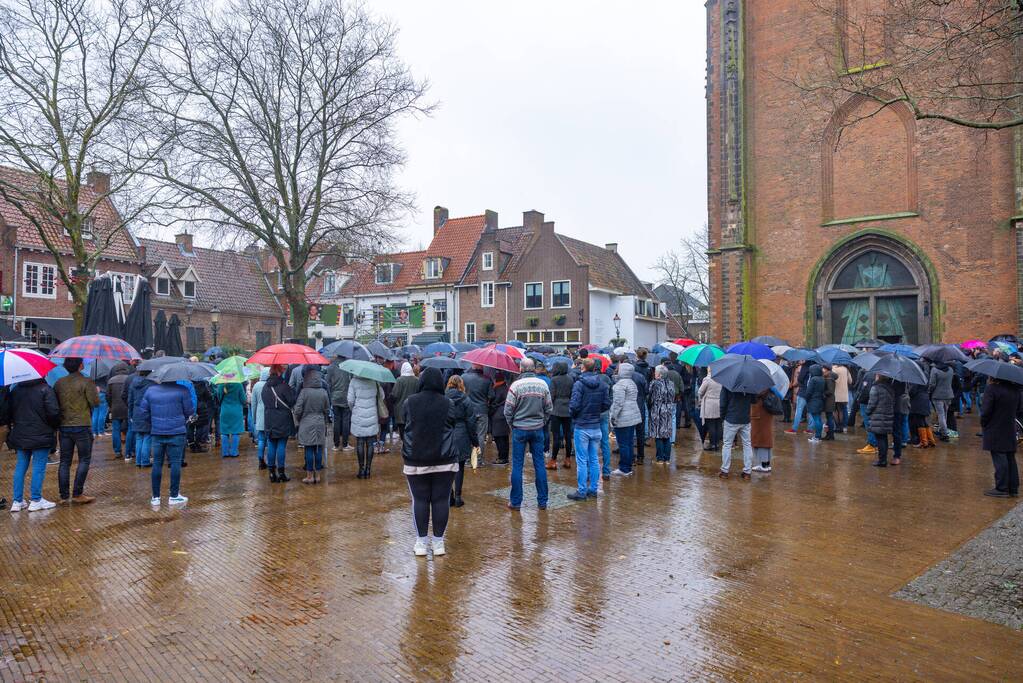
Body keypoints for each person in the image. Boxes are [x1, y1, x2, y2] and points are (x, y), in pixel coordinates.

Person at [402, 367, 457, 557]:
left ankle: (421, 543)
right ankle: (439, 543)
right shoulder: (448, 403)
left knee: (420, 500)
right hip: (445, 458)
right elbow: (453, 424)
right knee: (441, 500)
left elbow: (404, 425)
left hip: (416, 458)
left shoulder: (410, 402)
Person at [138, 375, 195, 506]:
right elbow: (189, 411)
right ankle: (174, 495)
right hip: (177, 432)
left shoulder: (150, 391)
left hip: (157, 432)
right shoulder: (183, 390)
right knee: (175, 463)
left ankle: (155, 497)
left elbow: (143, 412)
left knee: (157, 463)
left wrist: (153, 423)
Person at [503, 358, 553, 510]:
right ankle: (542, 501)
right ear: (534, 369)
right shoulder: (543, 384)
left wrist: (512, 425)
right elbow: (549, 408)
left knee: (517, 465)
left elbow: (507, 410)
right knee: (539, 465)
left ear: (521, 369)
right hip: (537, 428)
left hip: (519, 428)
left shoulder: (516, 385)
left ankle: (516, 502)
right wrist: (542, 421)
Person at [7, 377, 61, 512]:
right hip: (41, 434)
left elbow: (10, 412)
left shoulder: (15, 390)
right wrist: (53, 427)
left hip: (20, 434)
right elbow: (54, 412)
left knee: (20, 467)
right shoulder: (45, 389)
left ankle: (17, 501)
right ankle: (36, 500)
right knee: (38, 467)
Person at [53, 358, 100, 505]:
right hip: (82, 425)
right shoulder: (87, 382)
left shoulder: (59, 383)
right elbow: (95, 403)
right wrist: (96, 392)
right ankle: (77, 493)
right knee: (84, 459)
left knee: (64, 461)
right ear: (81, 365)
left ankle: (64, 495)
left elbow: (55, 402)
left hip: (64, 425)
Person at [567, 357, 611, 501]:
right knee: (594, 459)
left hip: (582, 426)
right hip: (596, 425)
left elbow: (574, 405)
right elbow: (606, 404)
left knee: (582, 460)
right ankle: (593, 489)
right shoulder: (603, 384)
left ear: (583, 368)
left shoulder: (579, 384)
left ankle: (582, 490)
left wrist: (575, 416)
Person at [980, 377, 1020, 497]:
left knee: (999, 457)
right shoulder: (1015, 390)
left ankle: (1002, 488)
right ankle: (1013, 488)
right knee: (1010, 457)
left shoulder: (992, 389)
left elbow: (986, 411)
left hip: (995, 428)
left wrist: (984, 424)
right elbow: (1019, 409)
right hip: (1009, 427)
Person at [445, 375, 478, 507]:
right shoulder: (466, 400)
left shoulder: (443, 398)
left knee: (447, 467)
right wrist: (475, 441)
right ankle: (458, 496)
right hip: (462, 434)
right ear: (461, 385)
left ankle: (449, 496)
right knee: (460, 467)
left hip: (447, 434)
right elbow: (471, 422)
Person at [294, 366, 330, 484]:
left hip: (306, 422)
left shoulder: (304, 392)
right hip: (319, 422)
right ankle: (318, 475)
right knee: (318, 448)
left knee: (309, 449)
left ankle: (309, 476)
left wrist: (298, 419)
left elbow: (298, 409)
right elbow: (327, 409)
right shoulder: (323, 392)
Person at [262, 365, 296, 483]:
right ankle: (281, 473)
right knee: (281, 445)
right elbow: (292, 401)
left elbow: (264, 400)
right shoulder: (284, 386)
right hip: (283, 419)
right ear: (280, 373)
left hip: (269, 418)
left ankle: (271, 473)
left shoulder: (265, 387)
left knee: (271, 445)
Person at [348, 372, 382, 479]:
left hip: (358, 415)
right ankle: (368, 469)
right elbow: (382, 395)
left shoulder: (353, 381)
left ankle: (361, 469)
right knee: (370, 443)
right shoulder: (374, 381)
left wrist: (353, 409)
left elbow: (350, 400)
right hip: (372, 415)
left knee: (360, 442)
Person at [610, 363, 641, 476]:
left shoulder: (620, 385)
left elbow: (618, 403)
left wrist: (613, 416)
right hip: (633, 415)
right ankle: (628, 466)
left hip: (623, 417)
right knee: (629, 442)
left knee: (623, 443)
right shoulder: (632, 383)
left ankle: (624, 468)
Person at [718, 385, 754, 480]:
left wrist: (722, 416)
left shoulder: (728, 384)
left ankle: (725, 471)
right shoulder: (749, 383)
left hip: (731, 418)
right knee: (747, 444)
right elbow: (754, 400)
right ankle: (747, 472)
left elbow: (723, 403)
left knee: (727, 444)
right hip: (745, 418)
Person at [462, 363, 494, 466]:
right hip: (482, 410)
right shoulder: (487, 379)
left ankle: (467, 460)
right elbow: (491, 396)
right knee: (480, 436)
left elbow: (461, 393)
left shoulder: (464, 377)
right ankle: (478, 460)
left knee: (467, 434)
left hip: (467, 410)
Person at [866, 374, 900, 467]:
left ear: (879, 377)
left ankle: (882, 460)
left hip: (878, 416)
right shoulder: (890, 388)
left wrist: (868, 411)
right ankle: (883, 459)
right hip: (887, 415)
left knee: (880, 438)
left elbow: (872, 403)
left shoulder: (875, 388)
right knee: (883, 438)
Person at [548, 361, 575, 470]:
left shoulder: (554, 380)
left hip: (556, 410)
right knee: (568, 436)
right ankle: (568, 459)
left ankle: (553, 460)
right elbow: (572, 394)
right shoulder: (570, 379)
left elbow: (551, 395)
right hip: (568, 409)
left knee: (556, 437)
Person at [125, 368, 155, 467]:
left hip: (136, 412)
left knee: (139, 437)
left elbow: (130, 401)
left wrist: (130, 415)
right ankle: (145, 461)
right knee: (147, 436)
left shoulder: (133, 383)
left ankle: (138, 461)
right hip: (147, 412)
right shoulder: (151, 384)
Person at [648, 365, 676, 463]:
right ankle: (667, 459)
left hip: (658, 410)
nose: (654, 374)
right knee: (667, 434)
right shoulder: (671, 383)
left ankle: (660, 458)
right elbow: (673, 396)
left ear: (659, 374)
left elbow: (650, 397)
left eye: (655, 372)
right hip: (668, 410)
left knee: (658, 434)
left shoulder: (654, 383)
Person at [106, 364, 133, 460]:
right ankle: (130, 450)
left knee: (115, 430)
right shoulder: (129, 379)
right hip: (127, 407)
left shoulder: (111, 381)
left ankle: (117, 451)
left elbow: (108, 396)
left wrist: (111, 406)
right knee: (130, 429)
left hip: (115, 408)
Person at [326, 355, 353, 452]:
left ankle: (336, 445)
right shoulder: (348, 366)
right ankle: (345, 444)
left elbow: (327, 382)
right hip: (346, 397)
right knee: (346, 421)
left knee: (336, 421)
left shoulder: (331, 367)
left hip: (335, 397)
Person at [214, 381, 246, 458]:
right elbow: (243, 399)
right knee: (236, 432)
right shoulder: (238, 385)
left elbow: (218, 398)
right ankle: (234, 452)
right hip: (236, 411)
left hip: (225, 411)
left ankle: (225, 452)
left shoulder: (221, 385)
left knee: (224, 432)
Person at [391, 362, 419, 444]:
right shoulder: (416, 380)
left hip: (400, 409)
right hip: (414, 409)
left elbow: (395, 395)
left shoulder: (399, 380)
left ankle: (405, 444)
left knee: (402, 429)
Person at [929, 361, 955, 441]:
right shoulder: (950, 369)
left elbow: (932, 384)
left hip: (937, 395)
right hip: (948, 395)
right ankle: (942, 430)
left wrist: (929, 392)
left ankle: (944, 433)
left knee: (941, 415)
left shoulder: (934, 370)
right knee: (945, 414)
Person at [489, 372, 511, 465]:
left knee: (499, 438)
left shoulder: (497, 389)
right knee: (505, 438)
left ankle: (501, 458)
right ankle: (505, 457)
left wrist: (490, 411)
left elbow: (494, 403)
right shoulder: (506, 388)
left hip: (498, 416)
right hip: (505, 415)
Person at [750, 390, 775, 473]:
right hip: (765, 413)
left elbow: (757, 395)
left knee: (761, 439)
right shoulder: (769, 382)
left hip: (760, 414)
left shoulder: (761, 386)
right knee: (765, 438)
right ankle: (766, 464)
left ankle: (763, 464)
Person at [250, 368, 270, 468]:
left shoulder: (256, 386)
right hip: (270, 415)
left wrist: (254, 418)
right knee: (270, 440)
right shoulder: (270, 385)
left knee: (261, 439)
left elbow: (253, 404)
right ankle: (271, 461)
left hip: (260, 415)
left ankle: (260, 460)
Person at [698, 370, 722, 450]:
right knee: (718, 424)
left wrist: (701, 399)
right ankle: (717, 444)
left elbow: (700, 391)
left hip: (709, 404)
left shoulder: (707, 379)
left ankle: (712, 444)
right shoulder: (721, 379)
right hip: (719, 403)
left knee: (711, 424)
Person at [909, 378, 936, 448]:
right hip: (925, 399)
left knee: (920, 422)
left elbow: (912, 392)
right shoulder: (924, 377)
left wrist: (908, 390)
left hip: (918, 402)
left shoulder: (916, 380)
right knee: (924, 421)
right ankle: (931, 440)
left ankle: (924, 442)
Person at [803, 365, 825, 444]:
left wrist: (806, 398)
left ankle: (817, 437)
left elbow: (809, 391)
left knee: (816, 419)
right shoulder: (822, 379)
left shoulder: (813, 379)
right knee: (818, 419)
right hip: (820, 400)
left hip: (813, 401)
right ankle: (818, 436)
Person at [832, 363, 852, 432]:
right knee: (841, 410)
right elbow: (850, 381)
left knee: (835, 411)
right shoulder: (845, 369)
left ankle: (837, 427)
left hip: (835, 393)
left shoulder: (833, 369)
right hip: (843, 394)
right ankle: (841, 427)